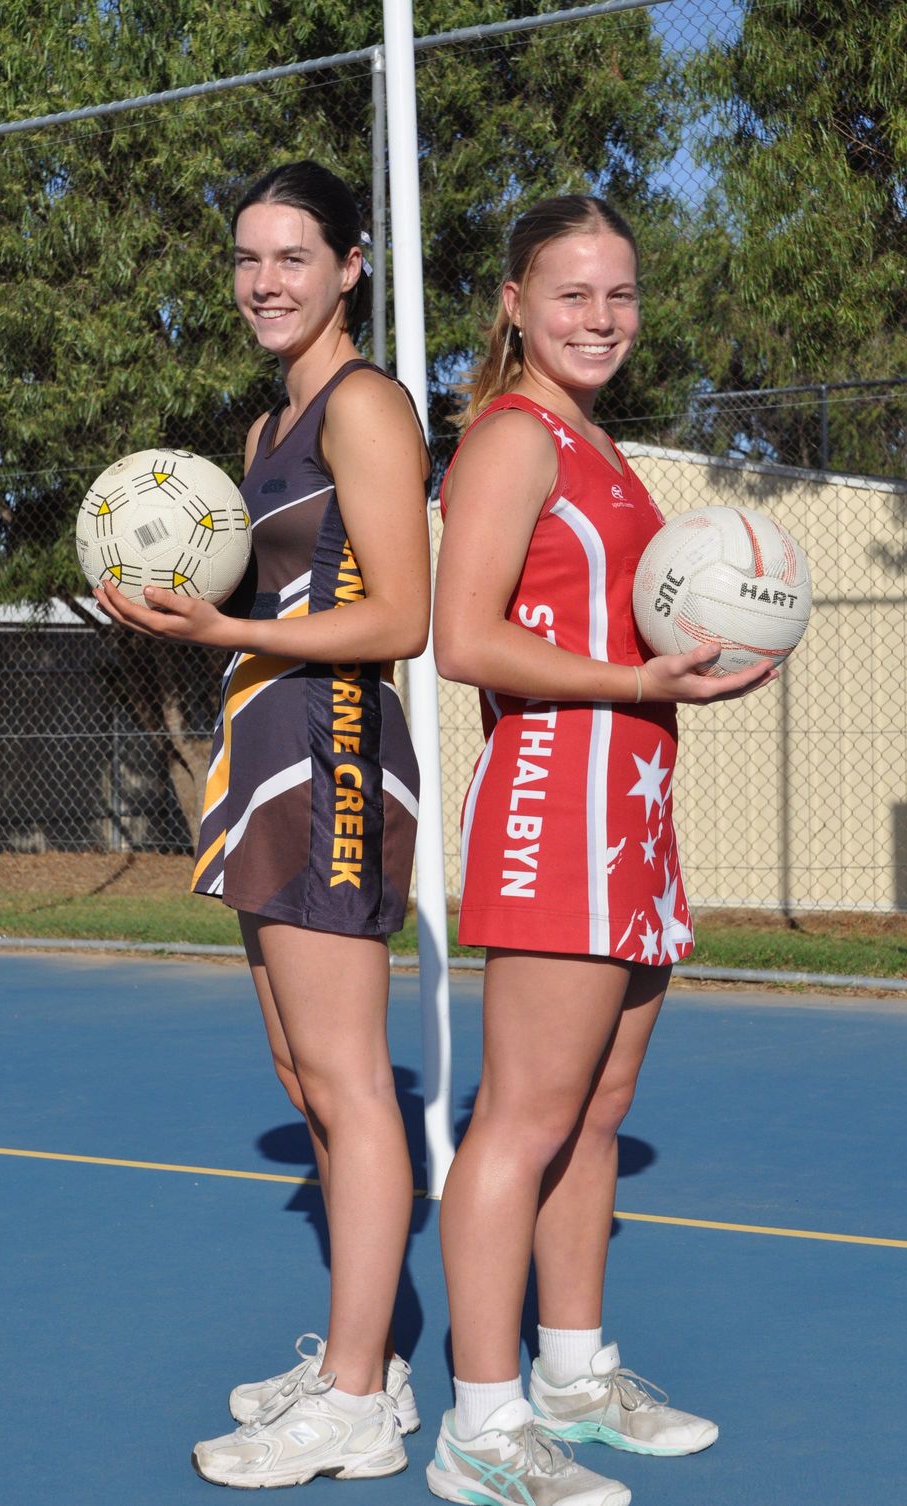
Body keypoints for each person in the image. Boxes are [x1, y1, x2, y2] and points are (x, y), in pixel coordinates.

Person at [426, 195, 778, 1506]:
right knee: (520, 1121)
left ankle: (572, 1375)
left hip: (631, 796)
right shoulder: (514, 440)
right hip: (557, 796)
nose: (600, 318)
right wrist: (640, 684)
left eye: (619, 294)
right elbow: (463, 641)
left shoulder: (601, 446)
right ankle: (480, 1424)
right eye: (571, 293)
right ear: (514, 300)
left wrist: (684, 672)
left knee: (599, 1114)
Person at [94, 159, 431, 1490]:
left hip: (334, 749)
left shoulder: (367, 407)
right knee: (304, 1077)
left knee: (351, 1080)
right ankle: (363, 1355)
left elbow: (400, 618)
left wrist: (230, 627)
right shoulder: (262, 427)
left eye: (295, 256)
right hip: (266, 745)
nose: (266, 281)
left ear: (351, 266)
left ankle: (355, 1397)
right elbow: (252, 591)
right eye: (248, 258)